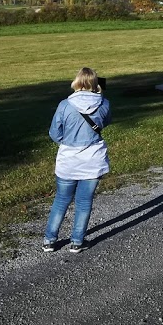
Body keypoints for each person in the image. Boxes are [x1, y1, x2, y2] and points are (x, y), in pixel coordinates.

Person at [43, 67, 111, 253]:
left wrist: (68, 142)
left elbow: (54, 133)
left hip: (68, 159)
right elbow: (106, 122)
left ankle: (49, 240)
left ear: (77, 82)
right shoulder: (104, 103)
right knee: (84, 202)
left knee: (61, 199)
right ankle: (77, 241)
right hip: (92, 159)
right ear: (95, 83)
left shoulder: (65, 105)